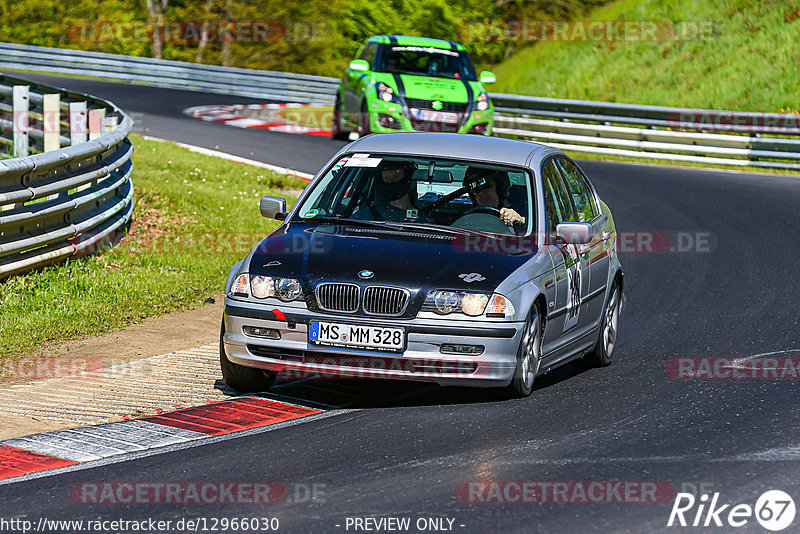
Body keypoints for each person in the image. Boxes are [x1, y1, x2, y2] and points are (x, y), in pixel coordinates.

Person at [353, 160, 432, 223]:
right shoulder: (364, 216)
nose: (390, 181)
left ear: (408, 179)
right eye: (386, 177)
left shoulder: (424, 221)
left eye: (396, 176)